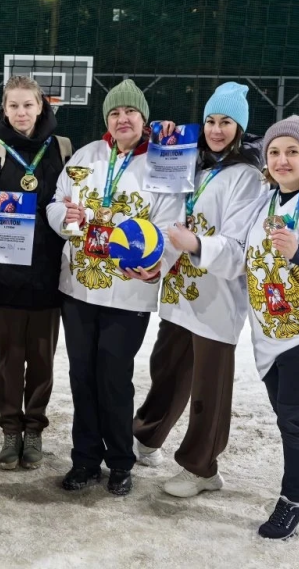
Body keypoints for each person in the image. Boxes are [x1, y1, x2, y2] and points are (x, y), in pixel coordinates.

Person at [173, 115, 299, 539]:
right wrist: (198, 244)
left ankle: (294, 501)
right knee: (285, 415)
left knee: (297, 420)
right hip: (271, 333)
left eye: (292, 152)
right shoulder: (264, 202)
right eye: (275, 152)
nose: (282, 160)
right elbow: (239, 250)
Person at [46, 80, 183, 496]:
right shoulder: (87, 155)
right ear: (107, 119)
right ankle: (85, 459)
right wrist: (67, 217)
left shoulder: (164, 161)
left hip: (128, 292)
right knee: (81, 376)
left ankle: (120, 461)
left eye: (131, 113)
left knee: (114, 377)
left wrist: (158, 265)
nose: (122, 119)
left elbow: (171, 223)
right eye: (114, 113)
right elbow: (56, 203)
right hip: (79, 288)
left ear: (144, 119)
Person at [131, 83, 268, 496]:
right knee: (168, 370)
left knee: (209, 386)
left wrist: (196, 245)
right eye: (210, 121)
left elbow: (240, 247)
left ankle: (202, 468)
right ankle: (147, 436)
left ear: (240, 128)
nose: (216, 129)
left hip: (217, 296)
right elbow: (167, 202)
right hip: (179, 289)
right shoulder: (198, 165)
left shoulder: (247, 178)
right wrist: (164, 137)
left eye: (226, 122)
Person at [0, 76, 71, 471]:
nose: (21, 113)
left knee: (43, 359)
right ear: (4, 110)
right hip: (7, 277)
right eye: (13, 106)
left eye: (28, 105)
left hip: (49, 276)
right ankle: (10, 429)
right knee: (12, 359)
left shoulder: (63, 151)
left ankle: (35, 428)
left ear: (41, 107)